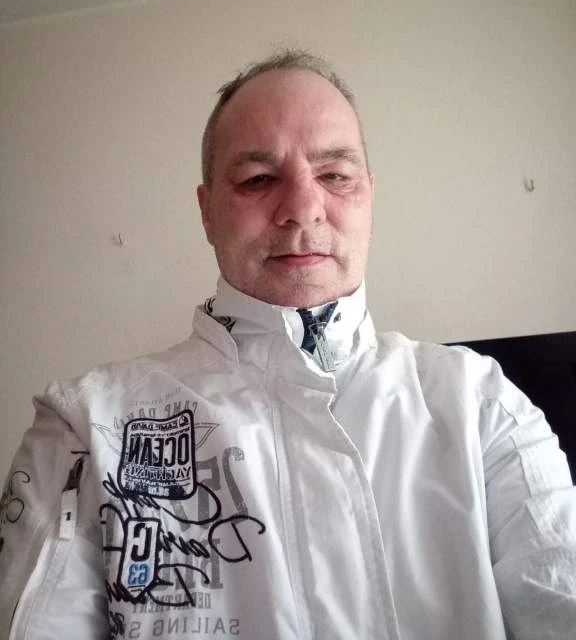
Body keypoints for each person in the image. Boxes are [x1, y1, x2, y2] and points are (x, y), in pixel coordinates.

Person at [1, 49, 575, 640]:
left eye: (335, 175)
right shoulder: (84, 425)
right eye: (258, 179)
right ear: (207, 212)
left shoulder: (482, 404)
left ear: (369, 196)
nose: (303, 209)